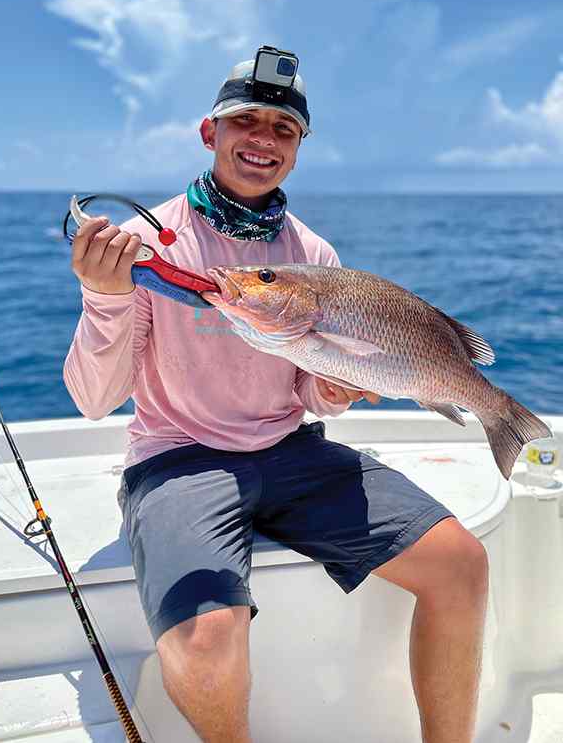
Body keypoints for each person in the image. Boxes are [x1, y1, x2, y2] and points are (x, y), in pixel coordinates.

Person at [64, 50, 489, 743]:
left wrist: (335, 389)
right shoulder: (145, 244)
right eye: (246, 121)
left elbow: (316, 391)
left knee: (461, 563)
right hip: (178, 459)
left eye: (283, 129)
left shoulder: (314, 256)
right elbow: (93, 398)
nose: (263, 139)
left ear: (297, 149)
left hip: (291, 452)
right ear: (211, 132)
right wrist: (104, 296)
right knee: (204, 642)